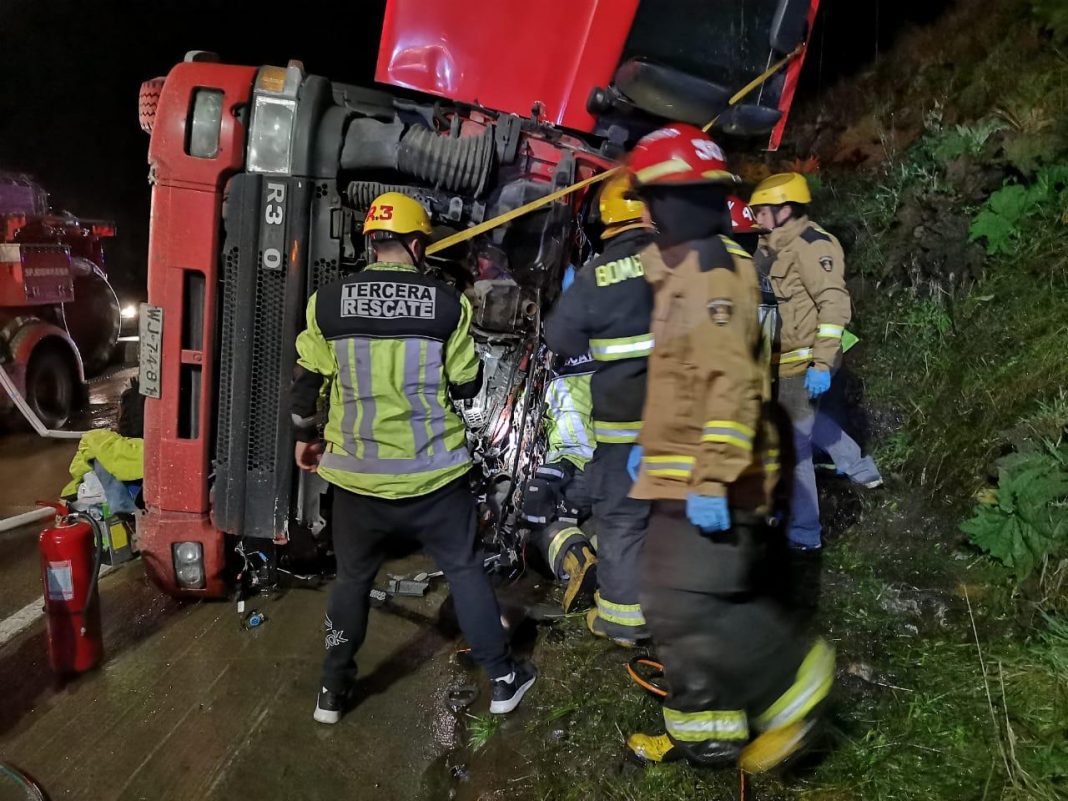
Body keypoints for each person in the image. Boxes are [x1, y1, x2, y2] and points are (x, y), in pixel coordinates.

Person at [622, 125, 833, 772]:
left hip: (715, 475)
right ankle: (707, 730)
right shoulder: (688, 263)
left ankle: (794, 679)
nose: (647, 215)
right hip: (679, 469)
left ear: (676, 201)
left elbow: (732, 386)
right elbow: (683, 379)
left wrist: (711, 477)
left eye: (652, 201)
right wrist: (647, 445)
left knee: (691, 600)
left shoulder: (711, 273)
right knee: (672, 600)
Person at [290, 192, 535, 724]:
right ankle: (502, 680)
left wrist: (305, 436)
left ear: (371, 241)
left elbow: (304, 387)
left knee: (352, 581)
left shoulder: (327, 302)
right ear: (419, 242)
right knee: (466, 570)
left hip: (357, 481)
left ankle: (332, 693)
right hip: (434, 478)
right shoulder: (448, 304)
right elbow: (468, 383)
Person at [543, 171, 656, 646]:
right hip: (689, 421)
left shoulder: (595, 275)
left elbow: (560, 340)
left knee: (623, 520)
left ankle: (623, 621)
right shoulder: (685, 262)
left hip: (625, 428)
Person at [749, 173, 881, 552]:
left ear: (785, 210)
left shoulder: (812, 247)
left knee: (794, 446)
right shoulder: (768, 246)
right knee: (805, 420)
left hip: (805, 361)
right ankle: (859, 467)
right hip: (781, 362)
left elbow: (834, 305)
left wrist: (821, 365)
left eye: (762, 210)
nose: (756, 215)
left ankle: (805, 533)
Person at [521, 348, 599, 613]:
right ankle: (604, 558)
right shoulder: (613, 365)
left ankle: (576, 559)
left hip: (578, 466)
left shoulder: (560, 377)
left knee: (543, 520)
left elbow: (566, 437)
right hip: (617, 465)